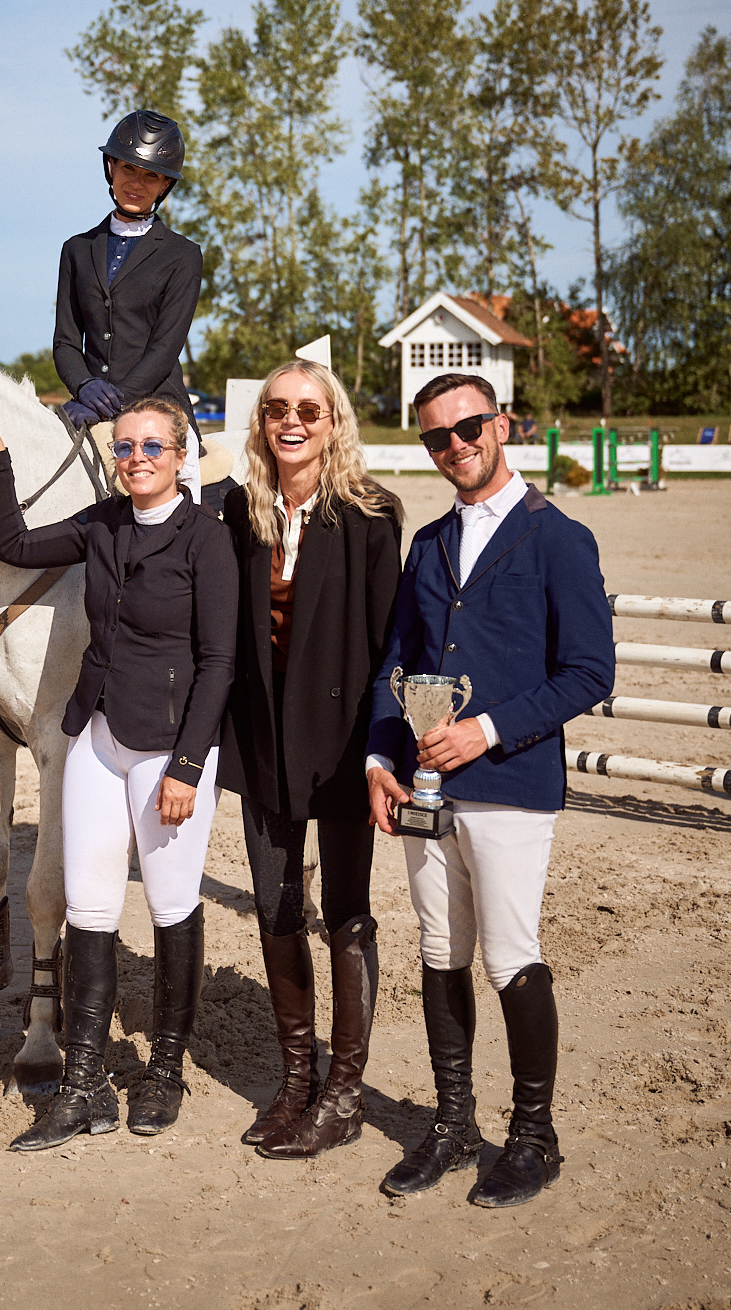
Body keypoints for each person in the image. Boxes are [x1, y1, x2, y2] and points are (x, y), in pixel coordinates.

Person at [0, 388, 238, 1148]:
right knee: (88, 909)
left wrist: (187, 763)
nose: (136, 459)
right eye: (123, 447)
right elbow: (13, 545)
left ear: (183, 459)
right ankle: (84, 1083)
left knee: (172, 906)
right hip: (97, 738)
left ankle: (165, 1070)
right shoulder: (103, 523)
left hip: (168, 752)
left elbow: (219, 662)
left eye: (152, 447)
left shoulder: (205, 540)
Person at [366, 371, 614, 1208]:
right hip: (426, 786)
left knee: (510, 958)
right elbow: (398, 661)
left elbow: (588, 673)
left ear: (500, 424)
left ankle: (536, 1136)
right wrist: (378, 759)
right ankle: (452, 1123)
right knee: (441, 955)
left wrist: (487, 730)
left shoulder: (559, 538)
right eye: (437, 437)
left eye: (468, 428)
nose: (455, 447)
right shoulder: (430, 542)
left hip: (509, 783)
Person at [219, 361, 402, 1160]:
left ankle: (345, 1091)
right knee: (276, 908)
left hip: (342, 747)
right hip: (263, 745)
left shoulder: (369, 513)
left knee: (347, 914)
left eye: (309, 411)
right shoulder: (238, 509)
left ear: (335, 423)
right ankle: (298, 1077)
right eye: (276, 410)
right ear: (261, 422)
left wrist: (381, 753)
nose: (291, 422)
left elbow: (388, 641)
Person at [52, 109, 205, 501]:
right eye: (127, 169)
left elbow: (165, 349)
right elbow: (67, 342)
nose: (135, 183)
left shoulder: (183, 255)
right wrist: (84, 385)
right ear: (111, 168)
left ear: (165, 184)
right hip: (88, 403)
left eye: (150, 175)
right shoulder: (77, 249)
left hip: (158, 405)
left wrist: (113, 402)